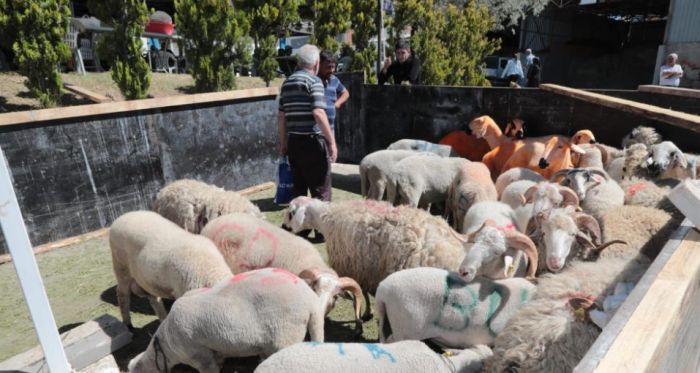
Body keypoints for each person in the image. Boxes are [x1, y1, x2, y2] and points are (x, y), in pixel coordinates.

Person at [278, 44, 337, 238]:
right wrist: (332, 142)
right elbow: (318, 113)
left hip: (294, 143)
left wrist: (283, 142)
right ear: (316, 62)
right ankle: (322, 233)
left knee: (300, 190)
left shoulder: (286, 84)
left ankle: (301, 230)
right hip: (313, 143)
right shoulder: (314, 82)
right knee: (321, 190)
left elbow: (281, 117)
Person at [318, 50, 350, 133]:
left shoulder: (334, 79)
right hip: (316, 132)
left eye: (333, 67)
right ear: (319, 65)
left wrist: (337, 104)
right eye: (328, 67)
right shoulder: (313, 81)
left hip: (330, 130)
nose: (332, 70)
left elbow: (345, 93)